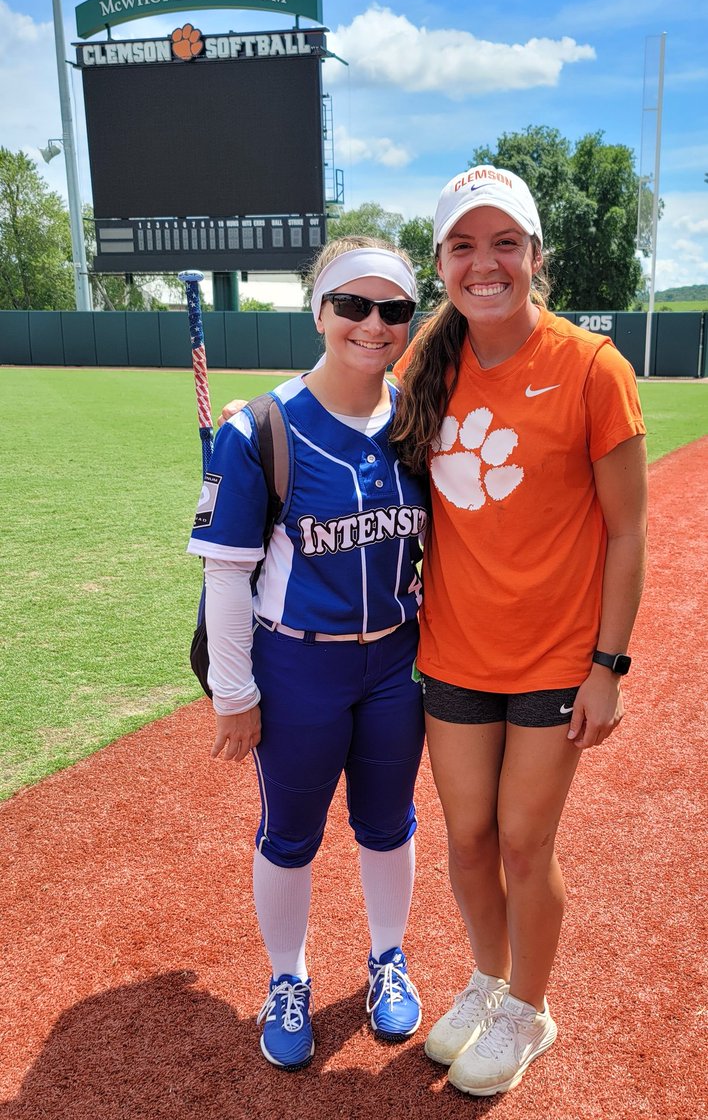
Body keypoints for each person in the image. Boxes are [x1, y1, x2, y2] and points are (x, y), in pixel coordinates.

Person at [390, 165, 648, 1097]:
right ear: (442, 262)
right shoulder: (425, 360)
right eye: (463, 245)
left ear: (536, 256)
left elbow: (627, 530)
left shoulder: (593, 368)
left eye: (505, 243)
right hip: (453, 653)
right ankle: (490, 981)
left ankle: (530, 1010)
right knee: (466, 842)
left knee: (523, 844)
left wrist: (608, 667)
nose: (484, 263)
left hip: (552, 661)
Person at [187, 237, 428, 1071]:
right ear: (319, 311)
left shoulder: (420, 421)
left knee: (387, 824)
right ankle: (287, 977)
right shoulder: (259, 428)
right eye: (352, 306)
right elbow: (227, 572)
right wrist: (232, 692)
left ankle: (386, 958)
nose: (372, 324)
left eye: (392, 309)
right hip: (298, 668)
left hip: (396, 662)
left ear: (409, 321)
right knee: (289, 833)